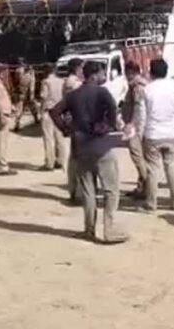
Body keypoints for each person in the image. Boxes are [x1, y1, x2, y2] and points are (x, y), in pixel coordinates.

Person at [49, 61, 129, 244]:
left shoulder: (73, 95)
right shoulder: (102, 92)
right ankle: (109, 229)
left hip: (81, 148)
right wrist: (107, 126)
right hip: (101, 147)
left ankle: (89, 230)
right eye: (101, 73)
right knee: (111, 190)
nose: (103, 77)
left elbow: (54, 112)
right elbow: (113, 111)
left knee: (88, 192)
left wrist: (66, 129)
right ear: (94, 75)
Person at [141, 58, 174, 212]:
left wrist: (141, 133)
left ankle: (151, 203)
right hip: (170, 133)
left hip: (152, 133)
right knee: (171, 168)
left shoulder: (147, 90)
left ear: (151, 71)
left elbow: (143, 115)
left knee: (152, 170)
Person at [121, 61, 148, 199]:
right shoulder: (135, 86)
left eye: (127, 73)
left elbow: (139, 109)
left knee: (137, 157)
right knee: (140, 157)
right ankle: (142, 187)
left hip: (136, 128)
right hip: (137, 126)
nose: (126, 76)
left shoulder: (137, 87)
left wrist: (132, 125)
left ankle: (147, 185)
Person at [62, 58, 85, 201]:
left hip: (71, 120)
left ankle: (73, 188)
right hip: (78, 121)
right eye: (82, 68)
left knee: (74, 156)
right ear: (77, 68)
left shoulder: (67, 82)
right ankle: (79, 191)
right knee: (80, 157)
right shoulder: (75, 83)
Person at [39, 64, 67, 171]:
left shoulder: (45, 82)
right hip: (59, 111)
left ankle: (49, 163)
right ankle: (60, 160)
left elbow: (44, 97)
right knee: (59, 137)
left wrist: (41, 111)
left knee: (48, 138)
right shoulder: (61, 81)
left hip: (49, 110)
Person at [13, 59, 40, 132]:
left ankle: (35, 119)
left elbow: (31, 84)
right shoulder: (21, 71)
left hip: (24, 91)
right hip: (23, 91)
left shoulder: (21, 71)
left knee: (28, 106)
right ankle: (17, 124)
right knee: (21, 108)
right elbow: (31, 84)